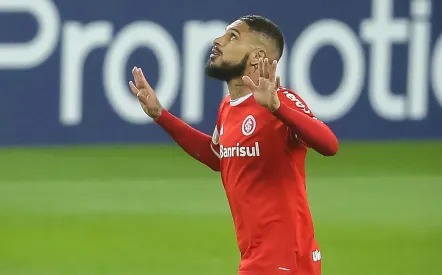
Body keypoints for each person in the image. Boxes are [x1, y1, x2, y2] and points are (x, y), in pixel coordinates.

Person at [128, 14, 339, 275]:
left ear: (257, 57)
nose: (218, 40)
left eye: (233, 37)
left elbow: (329, 145)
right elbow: (219, 157)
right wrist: (161, 115)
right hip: (261, 256)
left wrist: (277, 108)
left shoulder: (279, 102)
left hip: (283, 257)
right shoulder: (228, 107)